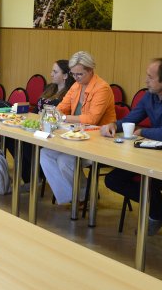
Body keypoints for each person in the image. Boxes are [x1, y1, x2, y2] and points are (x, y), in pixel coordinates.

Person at [102, 57, 162, 235]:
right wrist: (113, 125)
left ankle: (156, 212)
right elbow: (130, 120)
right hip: (154, 153)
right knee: (113, 179)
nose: (146, 81)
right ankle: (159, 208)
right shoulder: (149, 96)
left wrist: (142, 131)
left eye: (150, 77)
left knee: (148, 179)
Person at [39, 52, 116, 204]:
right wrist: (57, 114)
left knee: (65, 160)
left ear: (90, 70)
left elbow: (92, 119)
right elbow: (61, 108)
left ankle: (81, 195)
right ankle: (71, 196)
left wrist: (63, 118)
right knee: (45, 153)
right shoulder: (76, 86)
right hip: (76, 138)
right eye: (73, 74)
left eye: (79, 74)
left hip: (98, 141)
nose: (76, 78)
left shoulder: (102, 88)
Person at [13, 59, 74, 184]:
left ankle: (37, 176)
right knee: (13, 140)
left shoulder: (69, 94)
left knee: (26, 145)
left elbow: (62, 116)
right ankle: (30, 178)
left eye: (55, 72)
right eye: (52, 71)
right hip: (38, 126)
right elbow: (37, 108)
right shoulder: (50, 88)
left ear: (65, 76)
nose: (51, 74)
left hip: (53, 131)